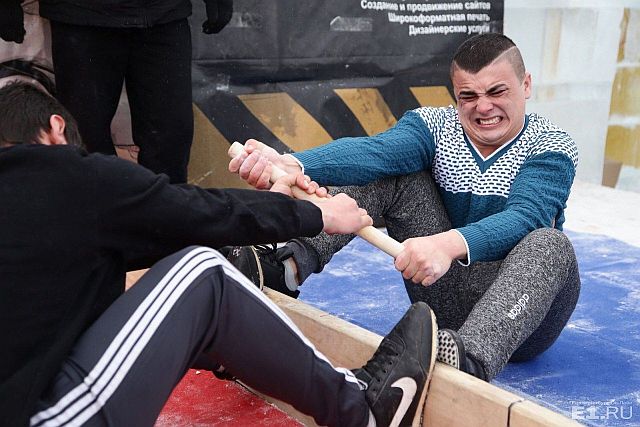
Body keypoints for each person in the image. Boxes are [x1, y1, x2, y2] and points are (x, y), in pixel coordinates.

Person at [0, 82, 438, 427]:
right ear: (56, 129)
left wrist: (277, 203)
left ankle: (235, 345)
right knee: (203, 272)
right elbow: (190, 213)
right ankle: (362, 410)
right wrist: (316, 214)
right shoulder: (58, 173)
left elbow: (150, 239)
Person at [228, 33, 581, 382]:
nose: (483, 107)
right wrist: (292, 164)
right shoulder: (435, 125)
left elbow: (524, 218)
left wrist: (445, 245)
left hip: (521, 320)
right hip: (442, 290)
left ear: (526, 85)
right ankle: (287, 268)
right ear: (455, 95)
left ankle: (469, 361)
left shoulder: (551, 145)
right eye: (468, 96)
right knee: (391, 172)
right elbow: (378, 153)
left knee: (550, 244)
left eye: (496, 92)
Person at [1, 0, 233, 184]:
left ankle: (166, 226)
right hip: (81, 15)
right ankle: (99, 224)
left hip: (163, 13)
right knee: (85, 138)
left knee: (170, 137)